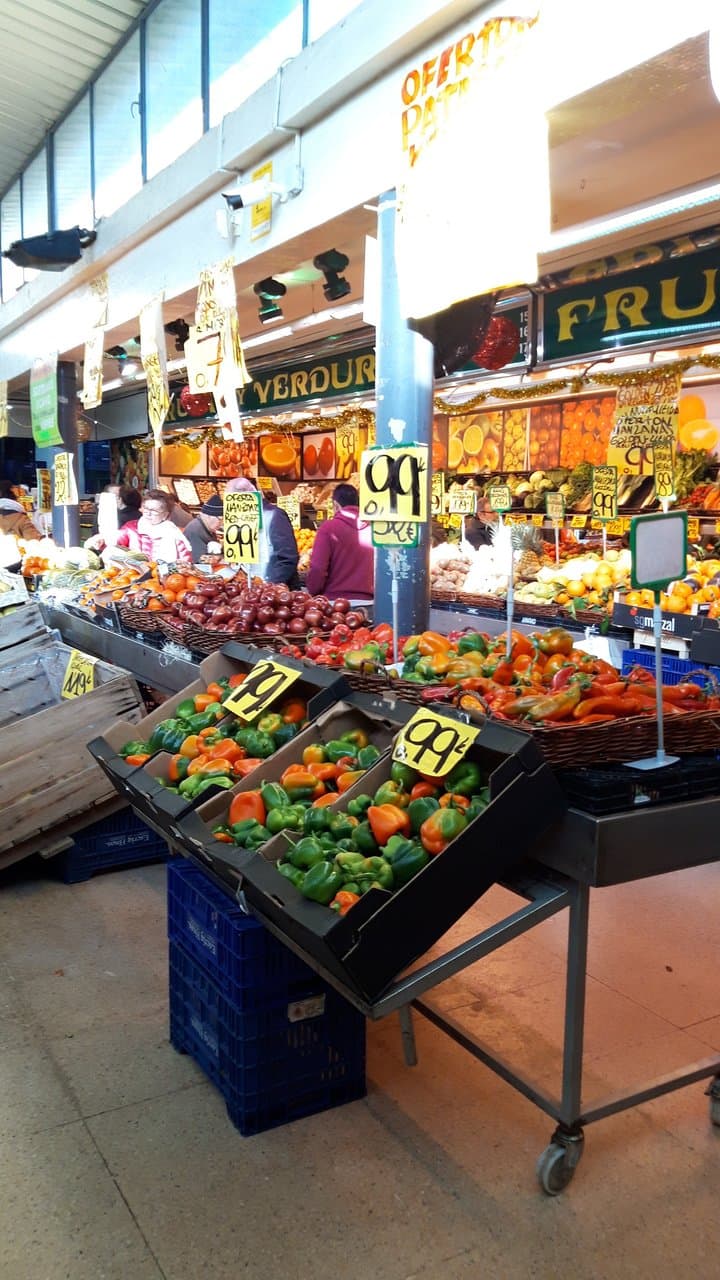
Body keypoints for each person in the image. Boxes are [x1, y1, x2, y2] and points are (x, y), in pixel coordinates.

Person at [225, 477, 299, 585]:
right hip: (250, 586)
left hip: (272, 587)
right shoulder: (240, 518)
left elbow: (287, 557)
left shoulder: (275, 515)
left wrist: (270, 585)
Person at [306, 483, 373, 601]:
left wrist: (312, 590)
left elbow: (318, 568)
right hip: (368, 601)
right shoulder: (372, 529)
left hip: (335, 602)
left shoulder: (328, 528)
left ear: (336, 505)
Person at [113, 489, 192, 563]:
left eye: (154, 511)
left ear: (166, 515)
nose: (148, 513)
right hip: (133, 572)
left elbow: (185, 563)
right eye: (146, 509)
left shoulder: (175, 534)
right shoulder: (131, 528)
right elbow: (113, 545)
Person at [184, 494, 223, 561]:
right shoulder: (195, 531)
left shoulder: (208, 528)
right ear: (208, 516)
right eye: (220, 519)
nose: (222, 523)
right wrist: (219, 556)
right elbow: (201, 561)